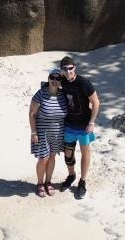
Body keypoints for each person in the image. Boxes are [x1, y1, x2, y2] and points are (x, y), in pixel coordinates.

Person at [59, 55, 99, 199]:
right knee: (68, 153)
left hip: (84, 126)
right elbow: (50, 84)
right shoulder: (61, 81)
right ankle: (71, 176)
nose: (68, 71)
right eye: (65, 69)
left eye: (71, 68)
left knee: (85, 152)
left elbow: (96, 102)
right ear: (61, 70)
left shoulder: (84, 82)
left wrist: (92, 122)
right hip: (68, 124)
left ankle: (82, 182)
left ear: (74, 68)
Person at [29, 69, 68, 197]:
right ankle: (40, 183)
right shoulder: (40, 94)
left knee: (52, 157)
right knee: (43, 158)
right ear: (48, 78)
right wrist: (33, 132)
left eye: (58, 79)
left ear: (61, 81)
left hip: (57, 133)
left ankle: (48, 182)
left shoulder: (63, 95)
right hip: (42, 133)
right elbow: (32, 114)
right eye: (52, 77)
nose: (55, 80)